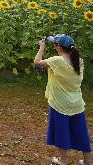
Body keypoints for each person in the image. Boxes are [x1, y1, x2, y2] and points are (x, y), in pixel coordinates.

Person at [34, 34, 91, 164]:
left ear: (58, 46)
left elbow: (37, 62)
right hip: (77, 104)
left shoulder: (57, 61)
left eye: (55, 44)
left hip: (59, 103)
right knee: (82, 133)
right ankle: (88, 162)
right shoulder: (79, 61)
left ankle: (63, 160)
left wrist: (42, 47)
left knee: (61, 132)